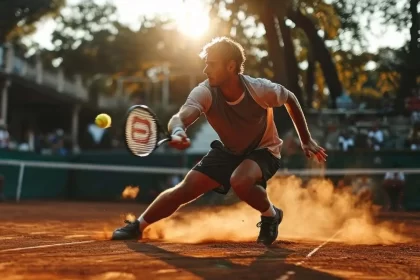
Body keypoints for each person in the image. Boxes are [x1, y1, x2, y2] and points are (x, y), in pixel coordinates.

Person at [111, 37, 327, 246]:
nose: (206, 70)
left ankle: (270, 215)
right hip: (229, 151)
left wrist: (305, 139)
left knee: (240, 180)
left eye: (211, 65)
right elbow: (181, 116)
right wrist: (178, 130)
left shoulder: (259, 89)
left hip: (264, 150)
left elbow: (290, 98)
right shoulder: (204, 91)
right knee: (184, 189)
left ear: (231, 66)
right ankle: (138, 226)